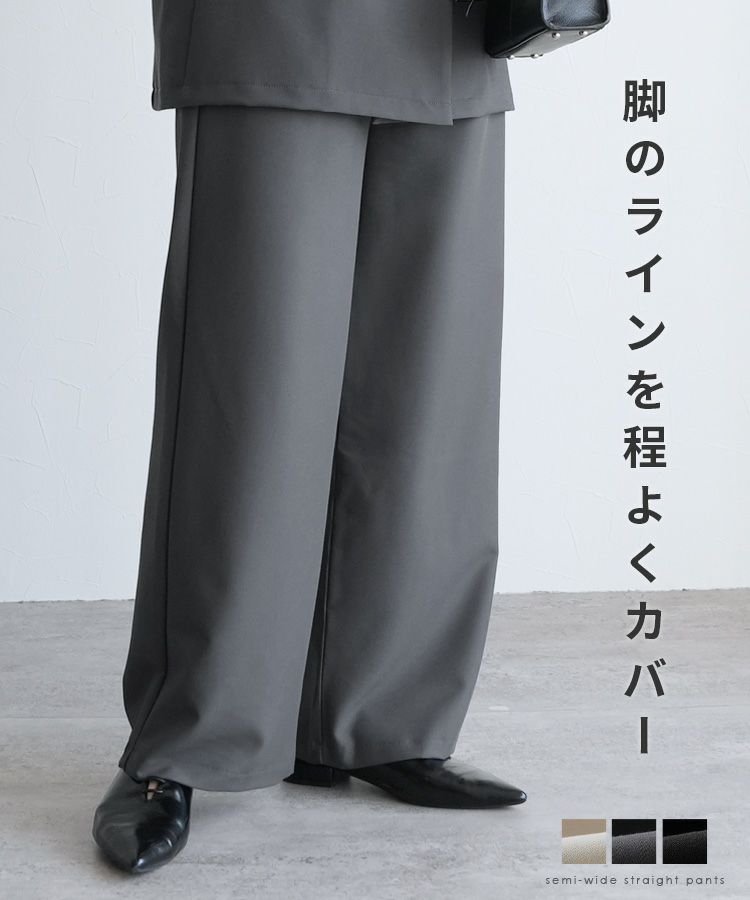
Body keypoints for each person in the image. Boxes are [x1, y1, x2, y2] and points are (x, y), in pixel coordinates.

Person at [92, 0, 527, 875]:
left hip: (451, 30)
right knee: (252, 392)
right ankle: (183, 742)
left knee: (426, 397)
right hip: (276, 25)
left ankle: (375, 721)